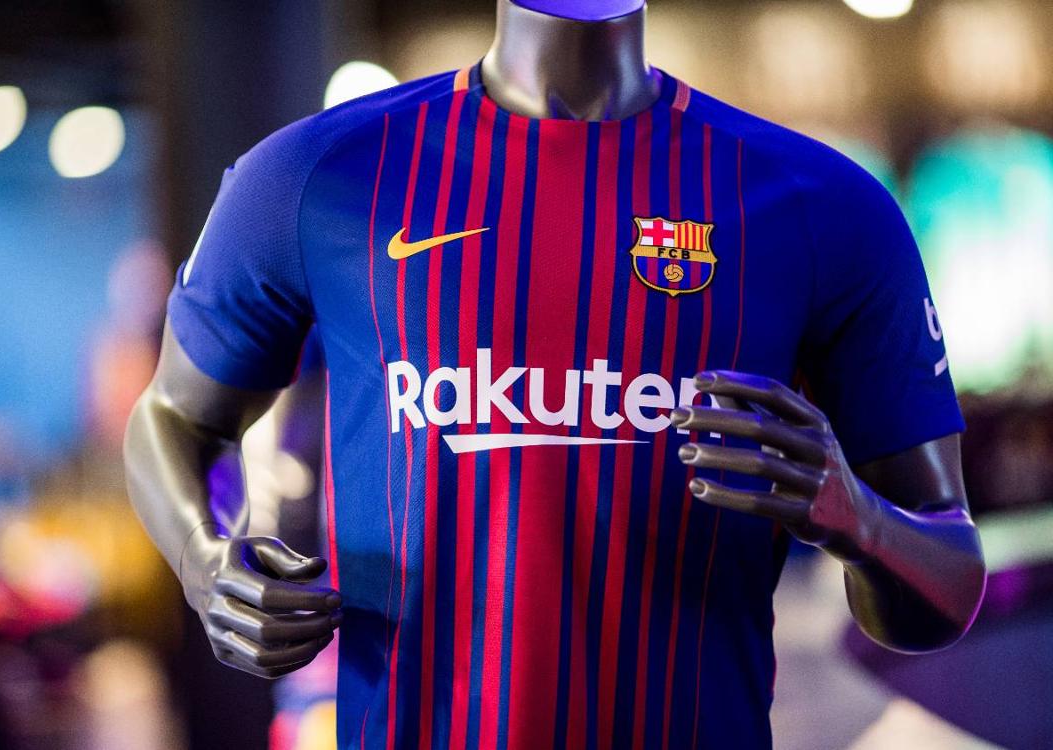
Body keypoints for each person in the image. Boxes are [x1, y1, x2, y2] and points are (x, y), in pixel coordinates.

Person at [124, 1, 987, 747]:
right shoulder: (313, 177)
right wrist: (206, 561)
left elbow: (946, 586)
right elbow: (174, 419)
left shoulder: (825, 207)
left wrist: (855, 517)